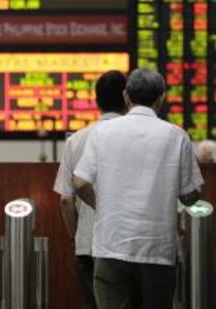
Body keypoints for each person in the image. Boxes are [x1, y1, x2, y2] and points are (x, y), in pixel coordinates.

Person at [73, 68, 204, 309]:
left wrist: (101, 206)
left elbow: (80, 183)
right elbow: (189, 195)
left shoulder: (102, 132)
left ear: (126, 97)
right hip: (157, 250)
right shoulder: (176, 136)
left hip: (111, 246)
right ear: (160, 98)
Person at [53, 70, 127, 309]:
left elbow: (66, 199)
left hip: (89, 242)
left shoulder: (77, 140)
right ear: (127, 99)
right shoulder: (139, 135)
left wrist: (75, 236)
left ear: (97, 102)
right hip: (128, 242)